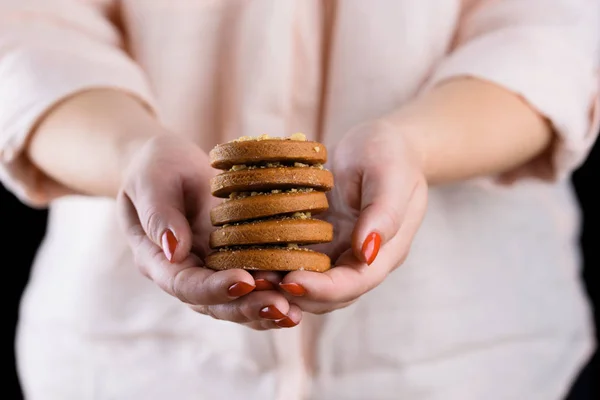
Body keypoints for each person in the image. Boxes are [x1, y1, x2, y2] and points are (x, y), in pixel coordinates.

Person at [1, 1, 598, 399]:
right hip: (131, 363)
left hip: (470, 360)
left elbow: (553, 40)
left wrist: (414, 147)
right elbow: (30, 36)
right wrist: (132, 153)